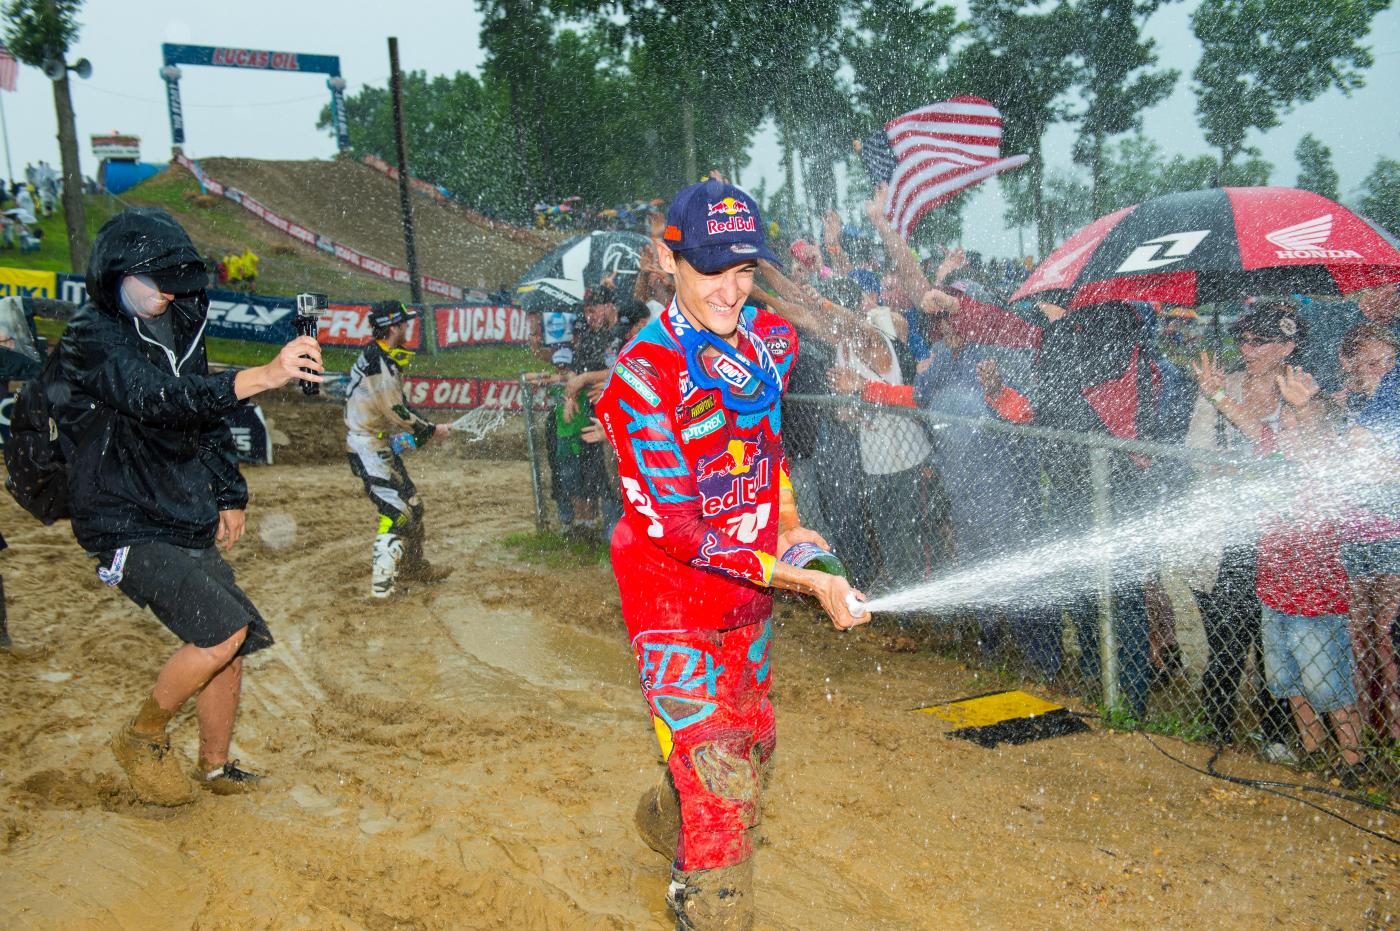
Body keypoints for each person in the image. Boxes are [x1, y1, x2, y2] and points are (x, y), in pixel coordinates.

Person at [596, 179, 866, 931]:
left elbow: (766, 454)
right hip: (671, 603)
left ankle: (667, 815)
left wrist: (793, 527)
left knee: (753, 748)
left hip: (746, 603)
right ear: (667, 257)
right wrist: (802, 581)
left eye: (745, 268)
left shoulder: (769, 344)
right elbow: (680, 531)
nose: (731, 288)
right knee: (723, 788)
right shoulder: (642, 377)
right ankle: (702, 883)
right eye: (713, 267)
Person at [56, 207, 325, 805]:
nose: (168, 292)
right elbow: (158, 398)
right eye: (155, 281)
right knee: (221, 631)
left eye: (176, 280)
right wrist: (259, 376)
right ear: (115, 276)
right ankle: (143, 736)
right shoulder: (90, 335)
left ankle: (213, 766)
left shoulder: (182, 321)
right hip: (120, 516)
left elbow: (201, 416)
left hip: (184, 508)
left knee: (232, 644)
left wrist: (229, 494)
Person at [344, 301, 453, 599]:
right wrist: (430, 431)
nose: (408, 327)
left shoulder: (381, 357)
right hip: (367, 447)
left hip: (379, 443)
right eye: (404, 323)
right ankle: (382, 587)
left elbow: (398, 408)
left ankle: (414, 568)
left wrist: (426, 431)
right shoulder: (379, 363)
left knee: (414, 507)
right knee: (398, 513)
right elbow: (396, 412)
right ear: (393, 326)